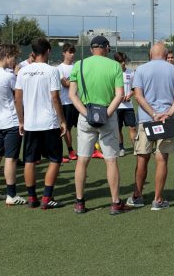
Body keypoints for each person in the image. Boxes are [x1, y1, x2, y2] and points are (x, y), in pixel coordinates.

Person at [68, 36, 130, 215]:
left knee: (82, 160)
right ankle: (115, 203)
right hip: (107, 117)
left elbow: (73, 95)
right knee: (111, 160)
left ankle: (79, 202)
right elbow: (119, 95)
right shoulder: (114, 66)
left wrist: (86, 114)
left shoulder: (78, 65)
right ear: (106, 48)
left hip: (85, 117)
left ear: (91, 49)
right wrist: (107, 114)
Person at [127, 43, 174, 210]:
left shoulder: (140, 70)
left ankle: (137, 196)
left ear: (150, 53)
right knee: (162, 159)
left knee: (142, 158)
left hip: (146, 120)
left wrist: (153, 114)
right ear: (166, 54)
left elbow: (138, 96)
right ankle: (157, 200)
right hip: (167, 121)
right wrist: (168, 113)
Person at [14, 38, 67, 209]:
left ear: (33, 52)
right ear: (48, 52)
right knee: (55, 159)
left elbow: (18, 98)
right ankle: (46, 198)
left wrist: (21, 121)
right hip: (49, 123)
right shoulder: (52, 71)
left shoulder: (22, 71)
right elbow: (55, 98)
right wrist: (62, 121)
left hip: (30, 124)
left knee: (29, 160)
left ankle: (32, 198)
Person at [0, 43, 27, 205]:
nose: (15, 61)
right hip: (11, 122)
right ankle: (11, 195)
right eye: (14, 57)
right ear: (7, 56)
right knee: (11, 159)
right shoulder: (8, 76)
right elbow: (19, 97)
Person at [57, 43, 79, 163]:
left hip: (78, 101)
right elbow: (65, 84)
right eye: (70, 52)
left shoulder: (77, 66)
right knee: (68, 128)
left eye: (73, 52)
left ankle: (89, 149)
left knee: (83, 126)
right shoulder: (59, 68)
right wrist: (75, 81)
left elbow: (80, 81)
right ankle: (71, 151)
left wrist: (71, 81)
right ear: (64, 53)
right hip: (66, 103)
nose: (72, 54)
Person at [114, 52, 137, 157]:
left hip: (128, 106)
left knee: (132, 127)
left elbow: (134, 88)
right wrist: (118, 97)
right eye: (120, 61)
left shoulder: (131, 73)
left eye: (124, 61)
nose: (123, 63)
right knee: (118, 128)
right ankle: (121, 148)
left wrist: (130, 95)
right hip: (116, 106)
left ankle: (136, 148)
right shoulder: (113, 73)